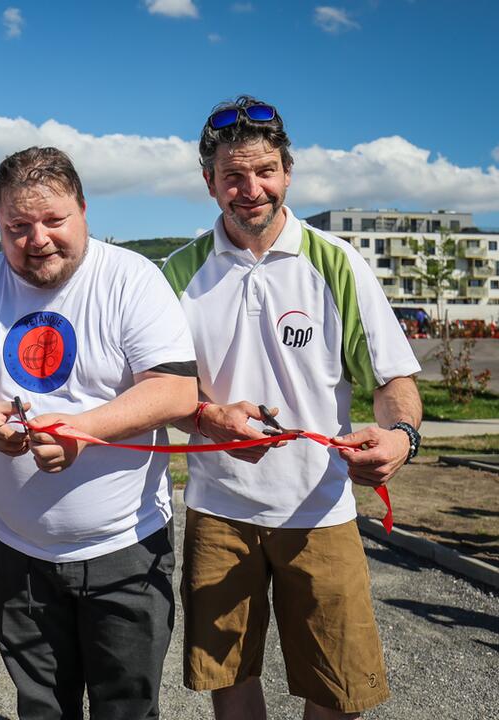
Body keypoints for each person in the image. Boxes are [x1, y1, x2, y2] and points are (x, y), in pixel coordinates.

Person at [161, 96, 423, 720]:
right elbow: (159, 390)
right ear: (209, 182)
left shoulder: (335, 262)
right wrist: (204, 416)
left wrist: (401, 437)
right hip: (219, 511)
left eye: (265, 172)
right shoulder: (175, 274)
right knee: (230, 680)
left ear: (288, 172)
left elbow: (392, 379)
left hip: (321, 509)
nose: (251, 189)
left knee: (338, 689)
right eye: (233, 175)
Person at [0, 146, 198, 719]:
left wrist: (83, 429)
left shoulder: (131, 278)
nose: (37, 239)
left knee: (125, 708)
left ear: (83, 210)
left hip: (124, 547)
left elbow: (175, 391)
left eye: (54, 221)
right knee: (42, 708)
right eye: (17, 227)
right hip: (17, 550)